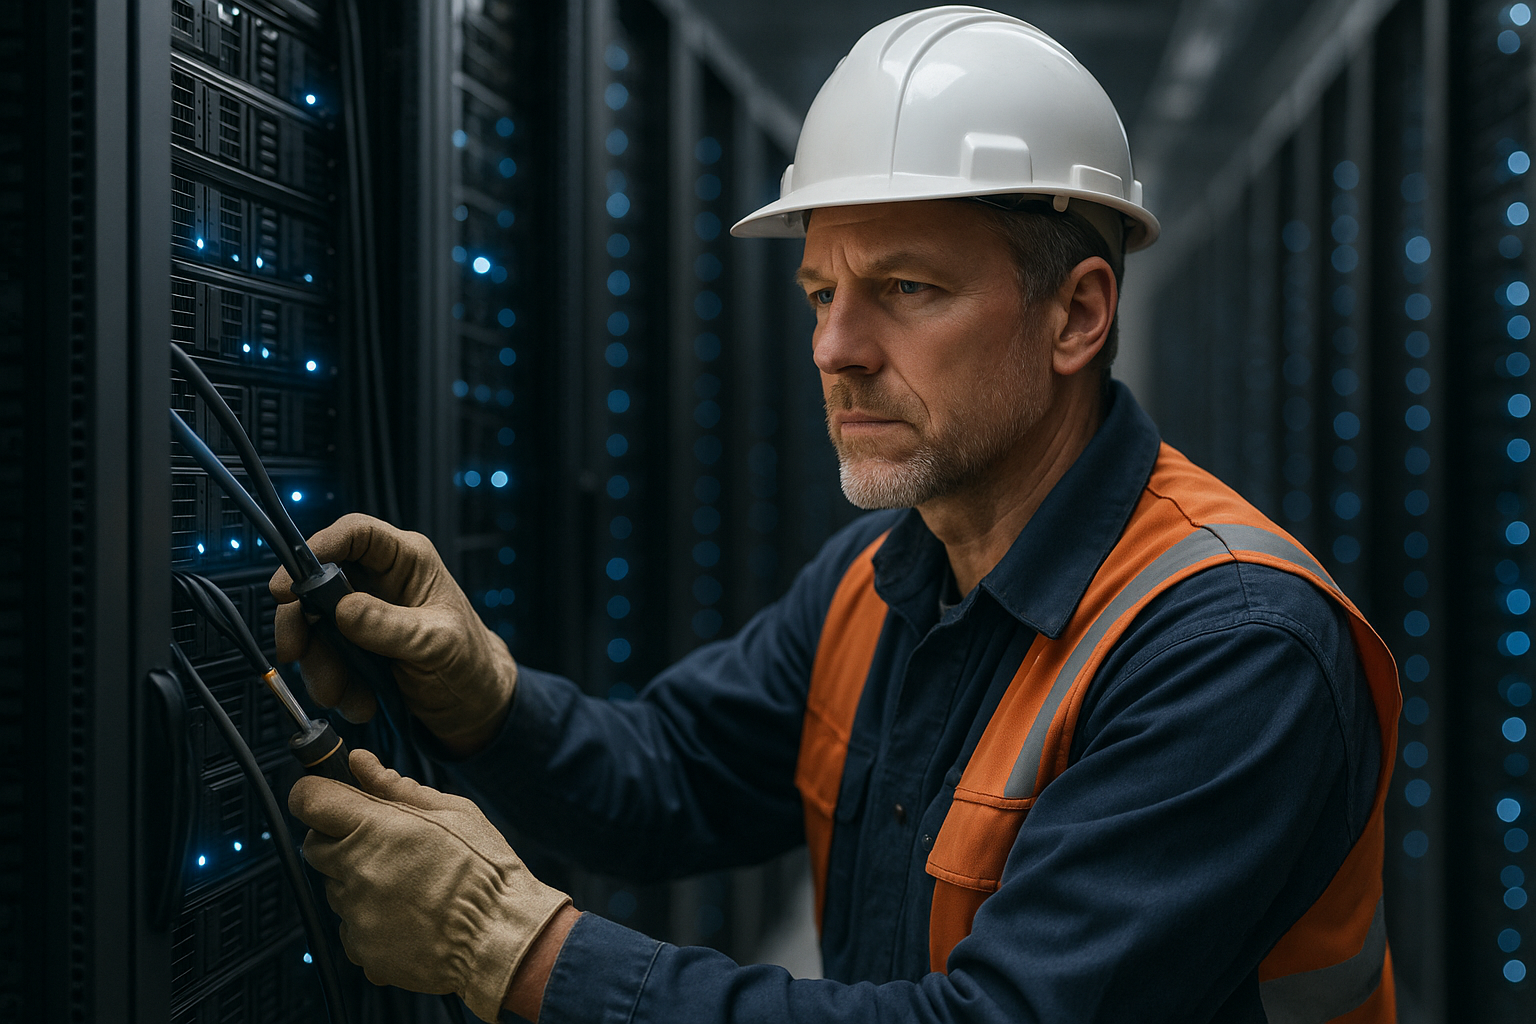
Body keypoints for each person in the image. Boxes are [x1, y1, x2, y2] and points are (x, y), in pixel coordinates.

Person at [280, 8, 1401, 1023]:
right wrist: (481, 692)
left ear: (1078, 315)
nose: (835, 349)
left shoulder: (1232, 648)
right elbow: (671, 774)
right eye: (823, 293)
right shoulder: (882, 575)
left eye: (906, 289)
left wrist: (515, 945)